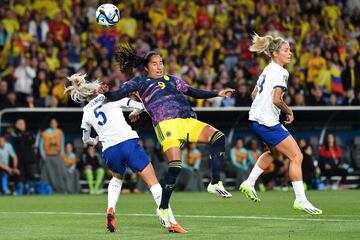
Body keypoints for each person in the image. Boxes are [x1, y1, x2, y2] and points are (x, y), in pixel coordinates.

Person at [101, 42, 235, 226]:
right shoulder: (139, 82)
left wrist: (217, 93)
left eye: (161, 63)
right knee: (176, 166)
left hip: (187, 120)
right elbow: (118, 95)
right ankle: (163, 207)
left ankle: (215, 183)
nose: (159, 66)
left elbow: (193, 92)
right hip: (166, 125)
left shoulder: (173, 79)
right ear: (147, 67)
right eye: (155, 64)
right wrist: (108, 94)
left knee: (219, 137)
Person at [64, 73, 187, 234]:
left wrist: (95, 141)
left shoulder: (86, 112)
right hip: (127, 142)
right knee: (153, 183)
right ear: (96, 90)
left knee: (116, 177)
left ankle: (110, 209)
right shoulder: (112, 98)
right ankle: (171, 221)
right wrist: (135, 112)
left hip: (109, 150)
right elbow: (140, 106)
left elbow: (86, 139)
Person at [239, 34, 322, 215]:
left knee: (274, 154)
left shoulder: (268, 69)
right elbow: (277, 99)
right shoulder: (281, 72)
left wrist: (263, 108)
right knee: (296, 156)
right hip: (267, 122)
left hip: (255, 119)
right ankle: (301, 200)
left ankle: (249, 182)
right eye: (286, 50)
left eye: (290, 50)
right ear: (275, 54)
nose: (290, 53)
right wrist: (289, 110)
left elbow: (254, 94)